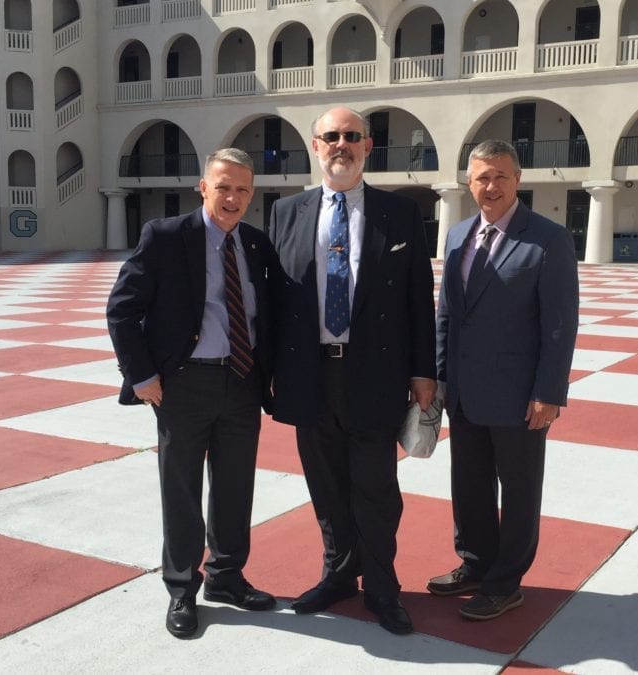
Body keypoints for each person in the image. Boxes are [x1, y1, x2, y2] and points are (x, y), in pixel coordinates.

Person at [268, 107, 437, 635]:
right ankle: (338, 575)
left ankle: (382, 589)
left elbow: (417, 300)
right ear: (316, 147)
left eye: (352, 137)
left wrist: (423, 372)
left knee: (377, 491)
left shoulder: (400, 213)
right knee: (326, 486)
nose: (341, 145)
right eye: (331, 137)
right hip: (308, 375)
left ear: (368, 147)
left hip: (376, 377)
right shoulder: (286, 212)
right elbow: (274, 301)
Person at [106, 148, 279, 639]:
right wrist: (141, 377)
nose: (233, 197)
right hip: (184, 384)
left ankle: (226, 578)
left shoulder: (254, 244)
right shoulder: (165, 237)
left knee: (234, 486)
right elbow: (121, 309)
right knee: (180, 489)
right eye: (224, 186)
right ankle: (182, 587)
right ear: (202, 187)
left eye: (243, 189)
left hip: (243, 382)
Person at [428, 139, 579, 620]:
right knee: (468, 483)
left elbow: (560, 323)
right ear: (468, 183)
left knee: (517, 490)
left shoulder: (548, 239)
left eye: (500, 177)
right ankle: (475, 563)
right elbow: (447, 314)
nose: (490, 186)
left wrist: (549, 392)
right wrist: (437, 377)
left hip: (520, 396)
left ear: (517, 180)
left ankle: (505, 580)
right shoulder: (457, 236)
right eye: (481, 178)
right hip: (465, 391)